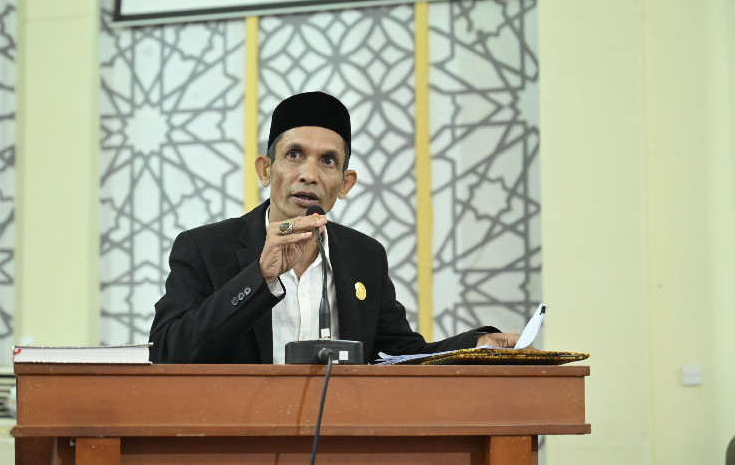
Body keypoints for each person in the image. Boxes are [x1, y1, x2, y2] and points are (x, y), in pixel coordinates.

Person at [149, 91, 519, 364]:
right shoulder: (203, 247)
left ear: (345, 183)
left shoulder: (364, 256)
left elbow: (398, 354)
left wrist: (477, 345)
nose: (309, 174)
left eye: (328, 161)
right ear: (265, 169)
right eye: (294, 155)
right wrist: (259, 277)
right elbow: (169, 352)